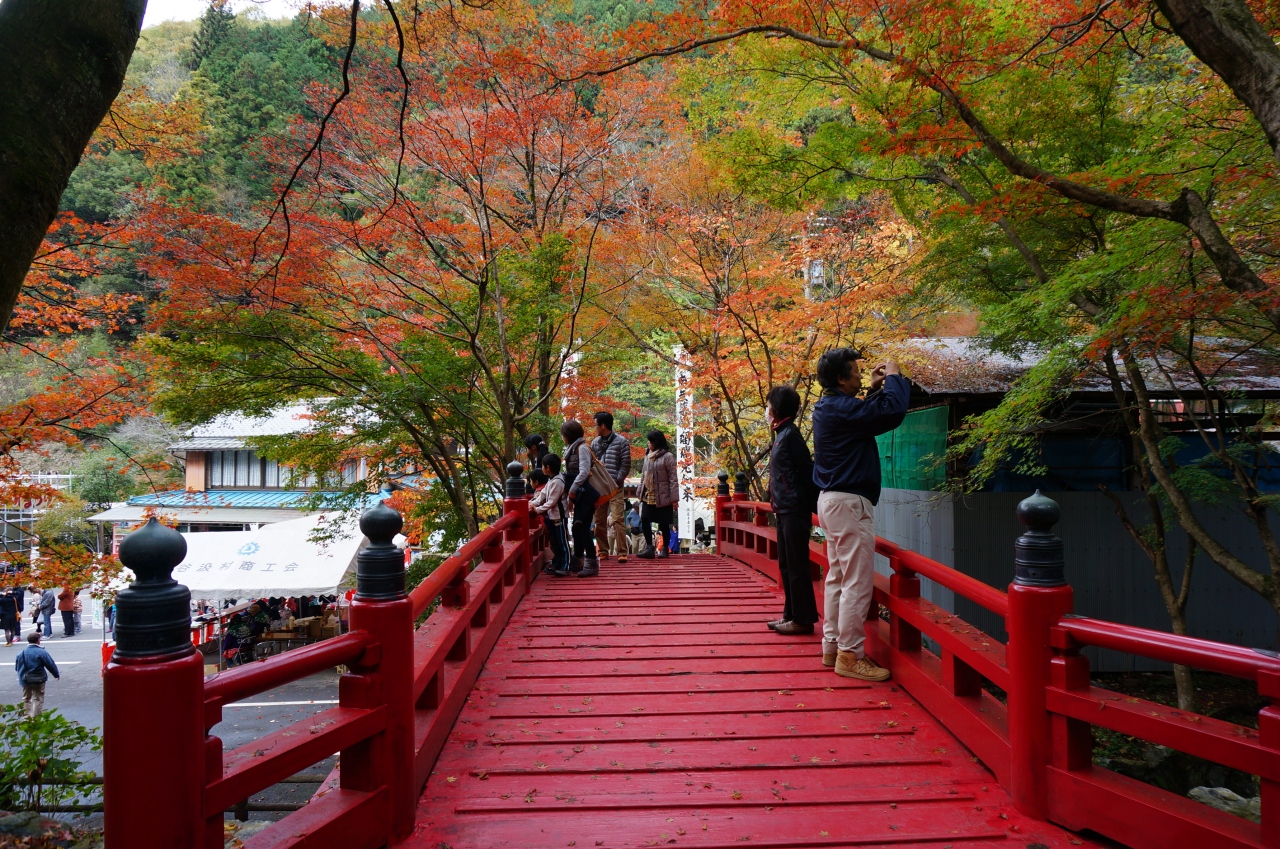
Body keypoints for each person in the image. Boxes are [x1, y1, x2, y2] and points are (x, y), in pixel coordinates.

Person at [811, 348, 909, 682]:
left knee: (838, 576)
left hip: (833, 501)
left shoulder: (830, 407)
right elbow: (892, 412)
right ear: (841, 378)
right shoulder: (841, 409)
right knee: (855, 580)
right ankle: (850, 655)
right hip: (850, 502)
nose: (858, 375)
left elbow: (865, 413)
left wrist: (873, 389)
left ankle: (833, 646)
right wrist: (894, 377)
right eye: (854, 371)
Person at [764, 385, 820, 636]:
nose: (766, 410)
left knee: (797, 565)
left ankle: (803, 619)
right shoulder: (782, 434)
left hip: (794, 508)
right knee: (787, 565)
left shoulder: (790, 435)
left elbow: (807, 472)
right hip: (785, 508)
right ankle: (791, 614)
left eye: (768, 405)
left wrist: (805, 503)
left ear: (776, 409)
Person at [560, 419, 601, 577]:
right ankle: (578, 560)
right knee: (577, 527)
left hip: (585, 493)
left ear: (568, 435)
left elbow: (583, 472)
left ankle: (591, 562)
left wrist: (572, 489)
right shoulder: (573, 448)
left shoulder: (582, 448)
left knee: (582, 527)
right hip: (580, 493)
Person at [590, 412, 632, 563]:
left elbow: (626, 464)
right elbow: (592, 464)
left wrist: (618, 480)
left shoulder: (621, 442)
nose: (594, 427)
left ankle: (622, 551)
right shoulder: (595, 443)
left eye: (595, 425)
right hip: (600, 488)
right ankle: (603, 551)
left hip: (616, 486)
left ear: (603, 426)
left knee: (618, 518)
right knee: (599, 520)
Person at [634, 431, 677, 560]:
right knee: (645, 519)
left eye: (650, 441)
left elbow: (673, 478)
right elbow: (643, 475)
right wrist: (639, 491)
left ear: (656, 443)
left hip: (663, 495)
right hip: (648, 493)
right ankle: (649, 548)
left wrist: (674, 499)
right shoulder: (647, 455)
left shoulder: (668, 456)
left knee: (663, 523)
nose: (648, 443)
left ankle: (664, 549)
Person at [530, 457, 570, 577]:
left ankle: (566, 566)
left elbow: (551, 502)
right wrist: (531, 503)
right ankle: (557, 563)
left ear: (548, 468)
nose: (541, 468)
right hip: (552, 516)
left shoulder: (558, 481)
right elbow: (542, 496)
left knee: (562, 542)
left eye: (543, 466)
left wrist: (536, 510)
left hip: (559, 516)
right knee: (555, 542)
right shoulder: (551, 480)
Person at [15, 632, 59, 717]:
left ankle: (26, 718)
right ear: (38, 640)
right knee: (37, 698)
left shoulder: (21, 653)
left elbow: (17, 668)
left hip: (24, 679)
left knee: (26, 698)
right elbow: (50, 664)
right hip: (38, 679)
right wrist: (56, 674)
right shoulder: (41, 652)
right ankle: (35, 718)